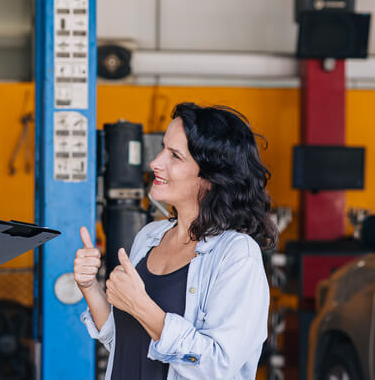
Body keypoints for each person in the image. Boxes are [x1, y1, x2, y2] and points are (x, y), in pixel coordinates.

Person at [74, 102, 278, 379]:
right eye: (162, 148)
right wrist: (89, 286)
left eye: (175, 156)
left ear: (211, 177)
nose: (155, 162)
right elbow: (125, 342)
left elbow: (217, 366)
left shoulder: (236, 254)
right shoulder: (149, 237)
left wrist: (141, 305)